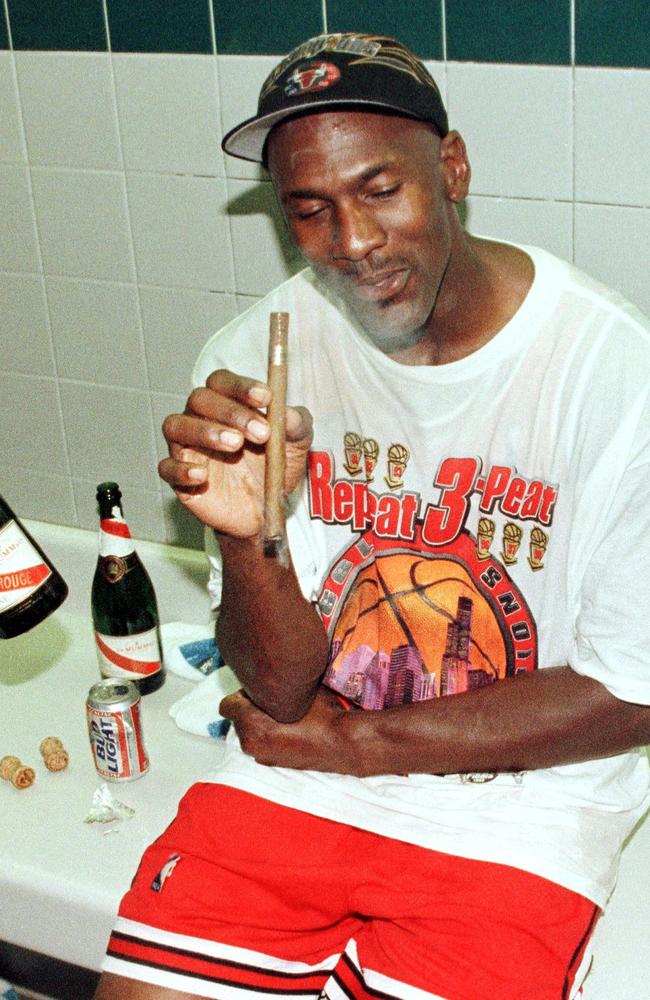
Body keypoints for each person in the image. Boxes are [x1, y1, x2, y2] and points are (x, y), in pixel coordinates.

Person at [95, 33, 650, 1000]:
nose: (351, 242)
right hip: (293, 773)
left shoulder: (617, 377)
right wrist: (246, 534)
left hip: (522, 811)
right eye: (310, 210)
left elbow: (630, 694)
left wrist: (355, 743)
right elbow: (276, 690)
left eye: (380, 190)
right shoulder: (252, 357)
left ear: (452, 167)